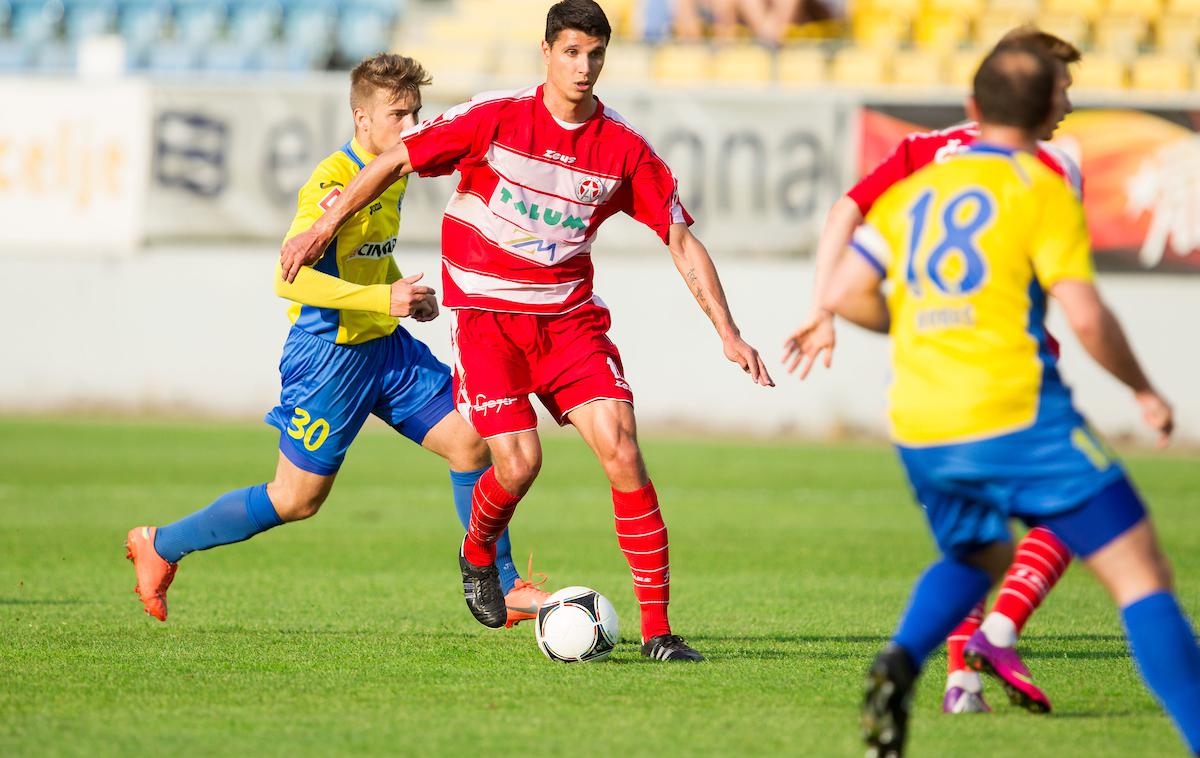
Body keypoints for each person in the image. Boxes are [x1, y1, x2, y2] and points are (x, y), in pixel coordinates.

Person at [280, 0, 773, 662]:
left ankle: (659, 633)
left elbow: (681, 239)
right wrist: (321, 226)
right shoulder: (497, 117)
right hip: (487, 321)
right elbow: (395, 160)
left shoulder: (622, 149)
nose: (584, 66)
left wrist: (728, 331)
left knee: (623, 451)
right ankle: (477, 552)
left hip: (568, 322)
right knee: (520, 462)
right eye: (571, 52)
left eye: (595, 54)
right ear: (547, 53)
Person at [822, 43, 1200, 757]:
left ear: (972, 109)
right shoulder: (1043, 186)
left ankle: (900, 662)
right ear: (1054, 107)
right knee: (1140, 570)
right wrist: (1144, 389)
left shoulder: (916, 192)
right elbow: (1085, 316)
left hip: (921, 419)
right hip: (1015, 409)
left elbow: (845, 292)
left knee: (982, 551)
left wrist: (921, 324)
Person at [125, 53, 550, 628]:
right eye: (398, 115)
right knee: (296, 499)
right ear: (361, 117)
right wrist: (383, 299)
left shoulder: (396, 172)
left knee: (473, 442)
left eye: (417, 113)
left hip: (385, 348)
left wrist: (398, 288)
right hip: (328, 356)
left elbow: (363, 256)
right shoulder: (330, 184)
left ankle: (501, 588)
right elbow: (287, 275)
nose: (412, 127)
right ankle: (161, 544)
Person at [786, 27, 1086, 714]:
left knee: (976, 540)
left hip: (931, 380)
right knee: (1079, 510)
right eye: (1060, 85)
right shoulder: (1053, 166)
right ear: (1032, 91)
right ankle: (999, 633)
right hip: (1016, 368)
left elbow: (844, 210)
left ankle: (960, 680)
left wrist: (823, 306)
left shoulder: (922, 153)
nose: (1067, 99)